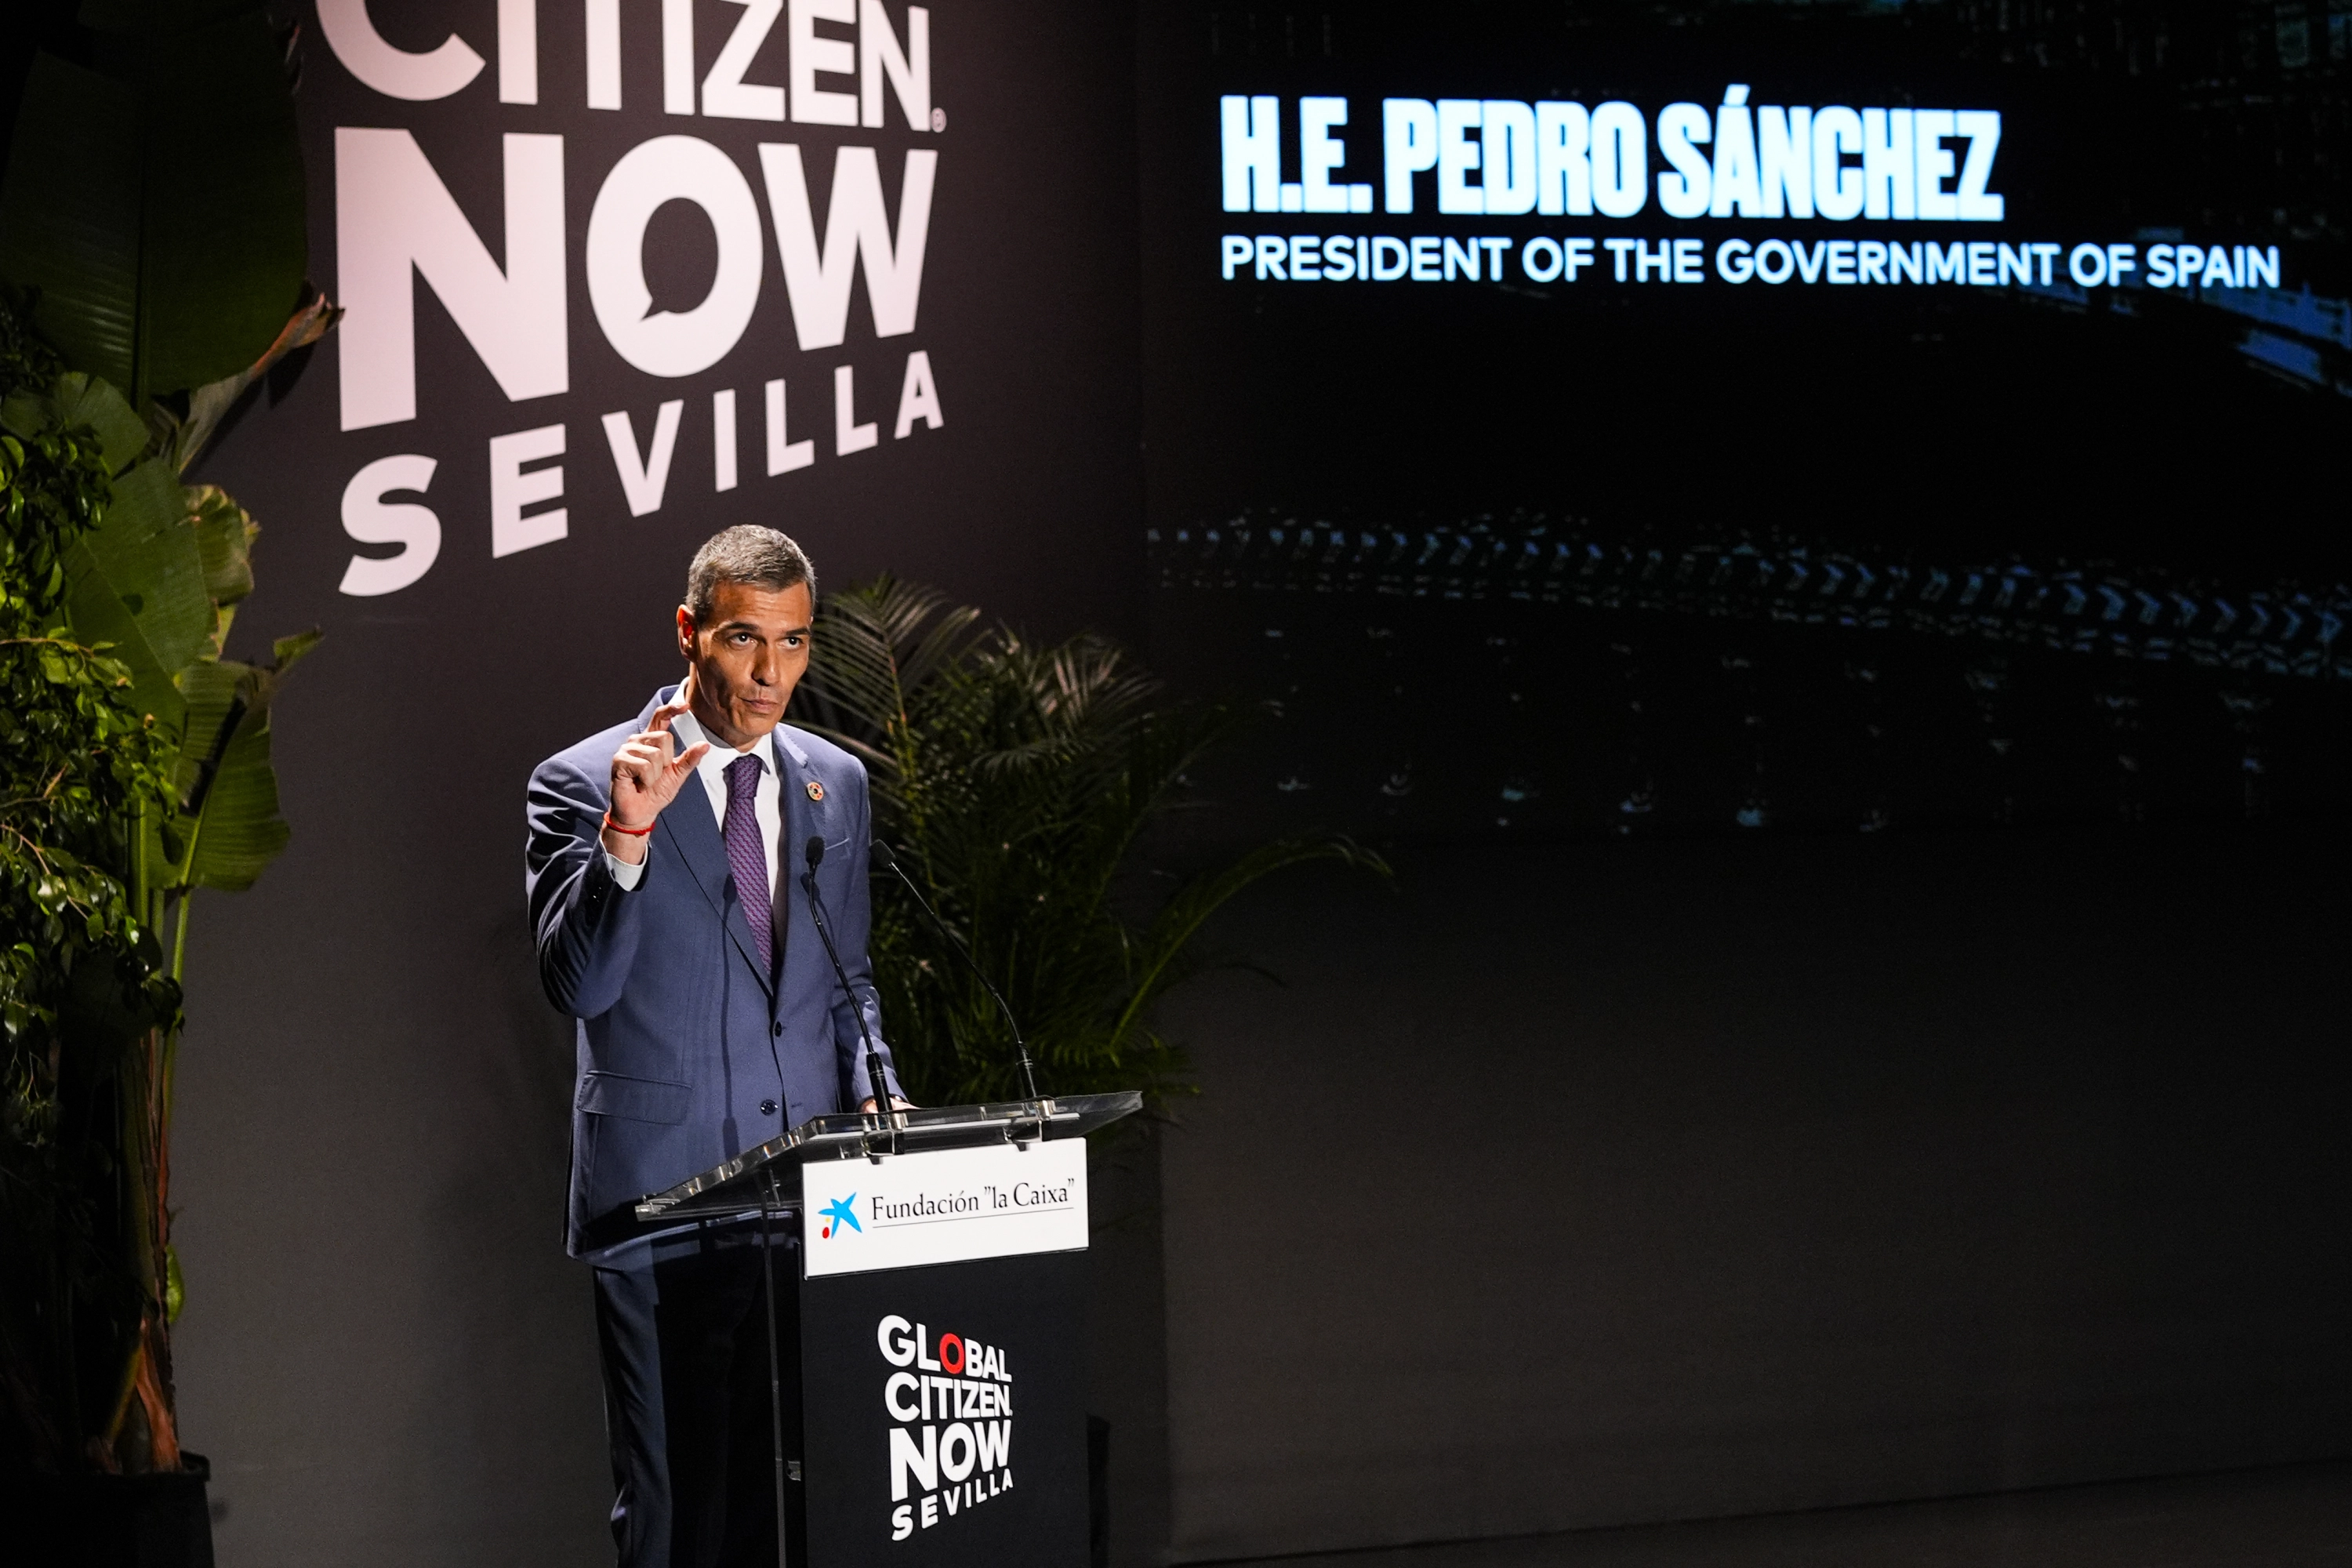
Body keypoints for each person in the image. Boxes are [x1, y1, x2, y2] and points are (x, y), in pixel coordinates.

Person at [526, 524, 906, 1568]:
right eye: (745, 640)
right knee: (672, 1520)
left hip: (806, 1205)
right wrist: (627, 839)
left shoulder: (836, 781)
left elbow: (845, 980)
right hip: (660, 1209)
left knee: (787, 1510)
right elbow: (577, 985)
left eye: (793, 643)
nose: (770, 673)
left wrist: (881, 1091)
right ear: (690, 632)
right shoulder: (583, 779)